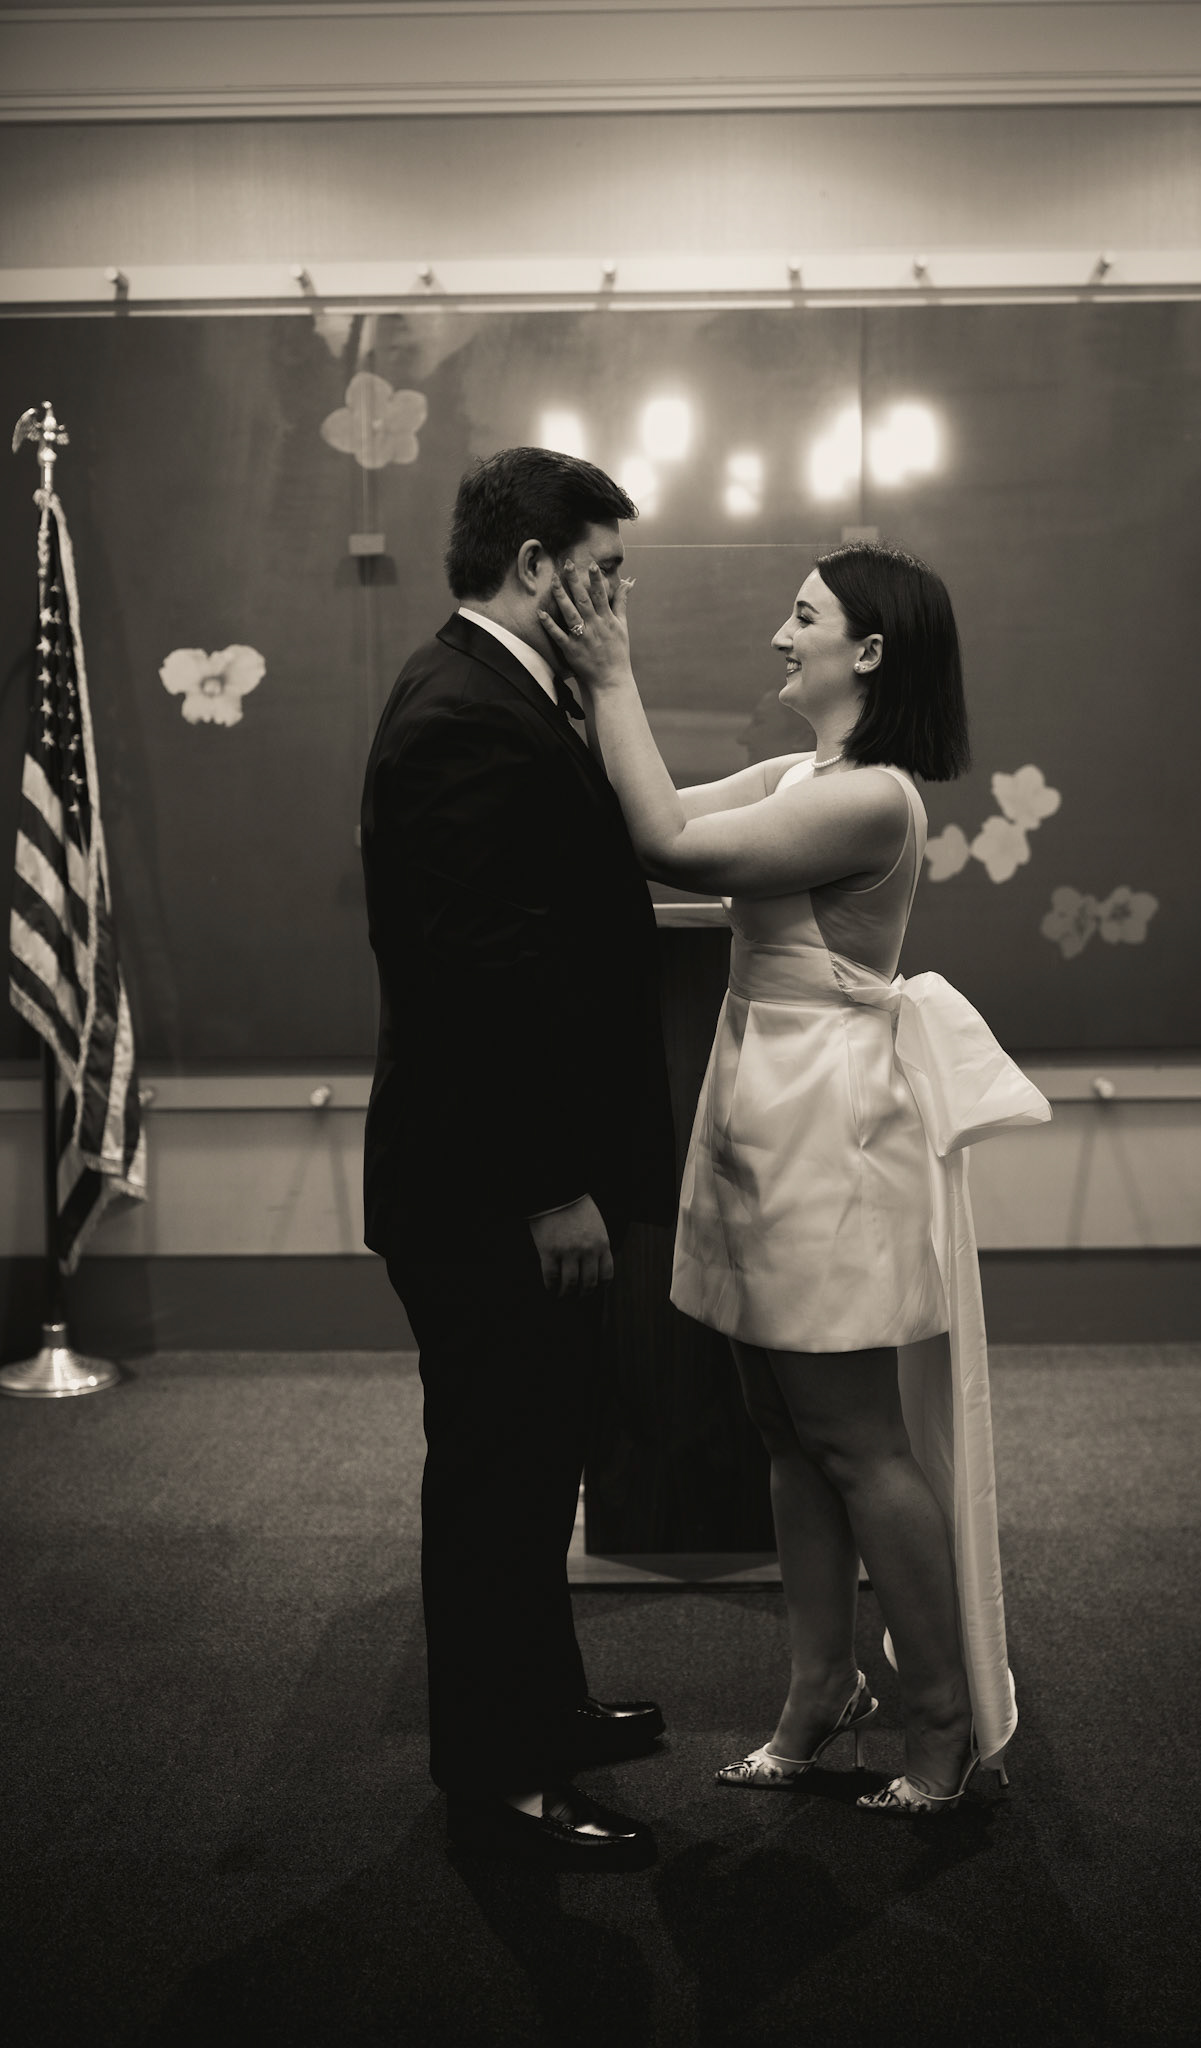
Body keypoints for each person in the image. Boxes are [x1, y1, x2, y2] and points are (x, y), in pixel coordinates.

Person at [541, 540, 1049, 1816]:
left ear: (868, 652)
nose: (782, 631)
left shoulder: (871, 795)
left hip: (824, 1130)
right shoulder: (803, 771)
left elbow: (667, 841)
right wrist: (569, 685)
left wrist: (611, 668)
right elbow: (642, 808)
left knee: (857, 1438)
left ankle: (936, 1718)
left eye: (804, 614)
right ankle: (821, 1692)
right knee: (784, 1429)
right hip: (759, 1111)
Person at [360, 447, 676, 1871]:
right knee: (497, 1481)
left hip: (506, 1174)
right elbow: (474, 978)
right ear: (537, 568)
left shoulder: (504, 691)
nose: (616, 604)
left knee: (537, 1461)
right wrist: (550, 1187)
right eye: (602, 573)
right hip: (490, 1188)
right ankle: (506, 1775)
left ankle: (543, 1709)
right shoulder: (458, 713)